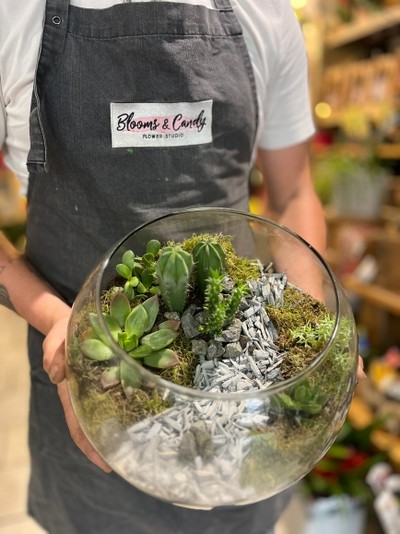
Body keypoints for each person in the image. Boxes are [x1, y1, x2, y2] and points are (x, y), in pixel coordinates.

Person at [0, 1, 329, 532]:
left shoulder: (265, 14)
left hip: (231, 373)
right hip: (90, 385)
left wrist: (309, 331)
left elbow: (293, 193)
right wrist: (58, 321)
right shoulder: (14, 17)